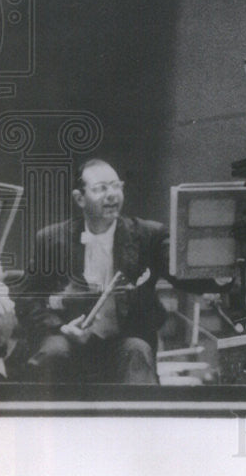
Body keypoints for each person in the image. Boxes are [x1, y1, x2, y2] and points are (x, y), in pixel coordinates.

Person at [17, 159, 168, 384]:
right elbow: (28, 299)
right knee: (52, 353)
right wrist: (61, 327)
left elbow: (182, 271)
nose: (112, 195)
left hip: (124, 341)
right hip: (67, 340)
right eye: (101, 188)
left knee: (136, 351)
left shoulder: (149, 235)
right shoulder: (51, 239)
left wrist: (219, 278)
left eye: (117, 186)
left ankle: (141, 419)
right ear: (79, 198)